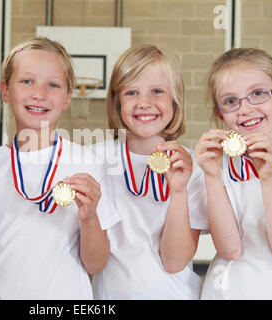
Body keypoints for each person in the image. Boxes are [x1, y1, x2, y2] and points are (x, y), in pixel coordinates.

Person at [0, 37, 119, 300]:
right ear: (5, 90)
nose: (39, 93)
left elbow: (95, 264)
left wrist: (89, 218)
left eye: (53, 84)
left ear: (67, 98)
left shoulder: (89, 165)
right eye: (27, 81)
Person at [91, 44, 208, 299]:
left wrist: (178, 192)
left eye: (157, 91)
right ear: (116, 100)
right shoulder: (95, 160)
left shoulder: (193, 167)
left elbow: (174, 262)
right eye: (132, 92)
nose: (144, 103)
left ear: (175, 99)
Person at [196, 48, 272, 299]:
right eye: (231, 101)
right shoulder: (216, 165)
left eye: (258, 93)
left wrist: (268, 177)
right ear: (220, 113)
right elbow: (230, 249)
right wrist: (211, 176)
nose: (245, 109)